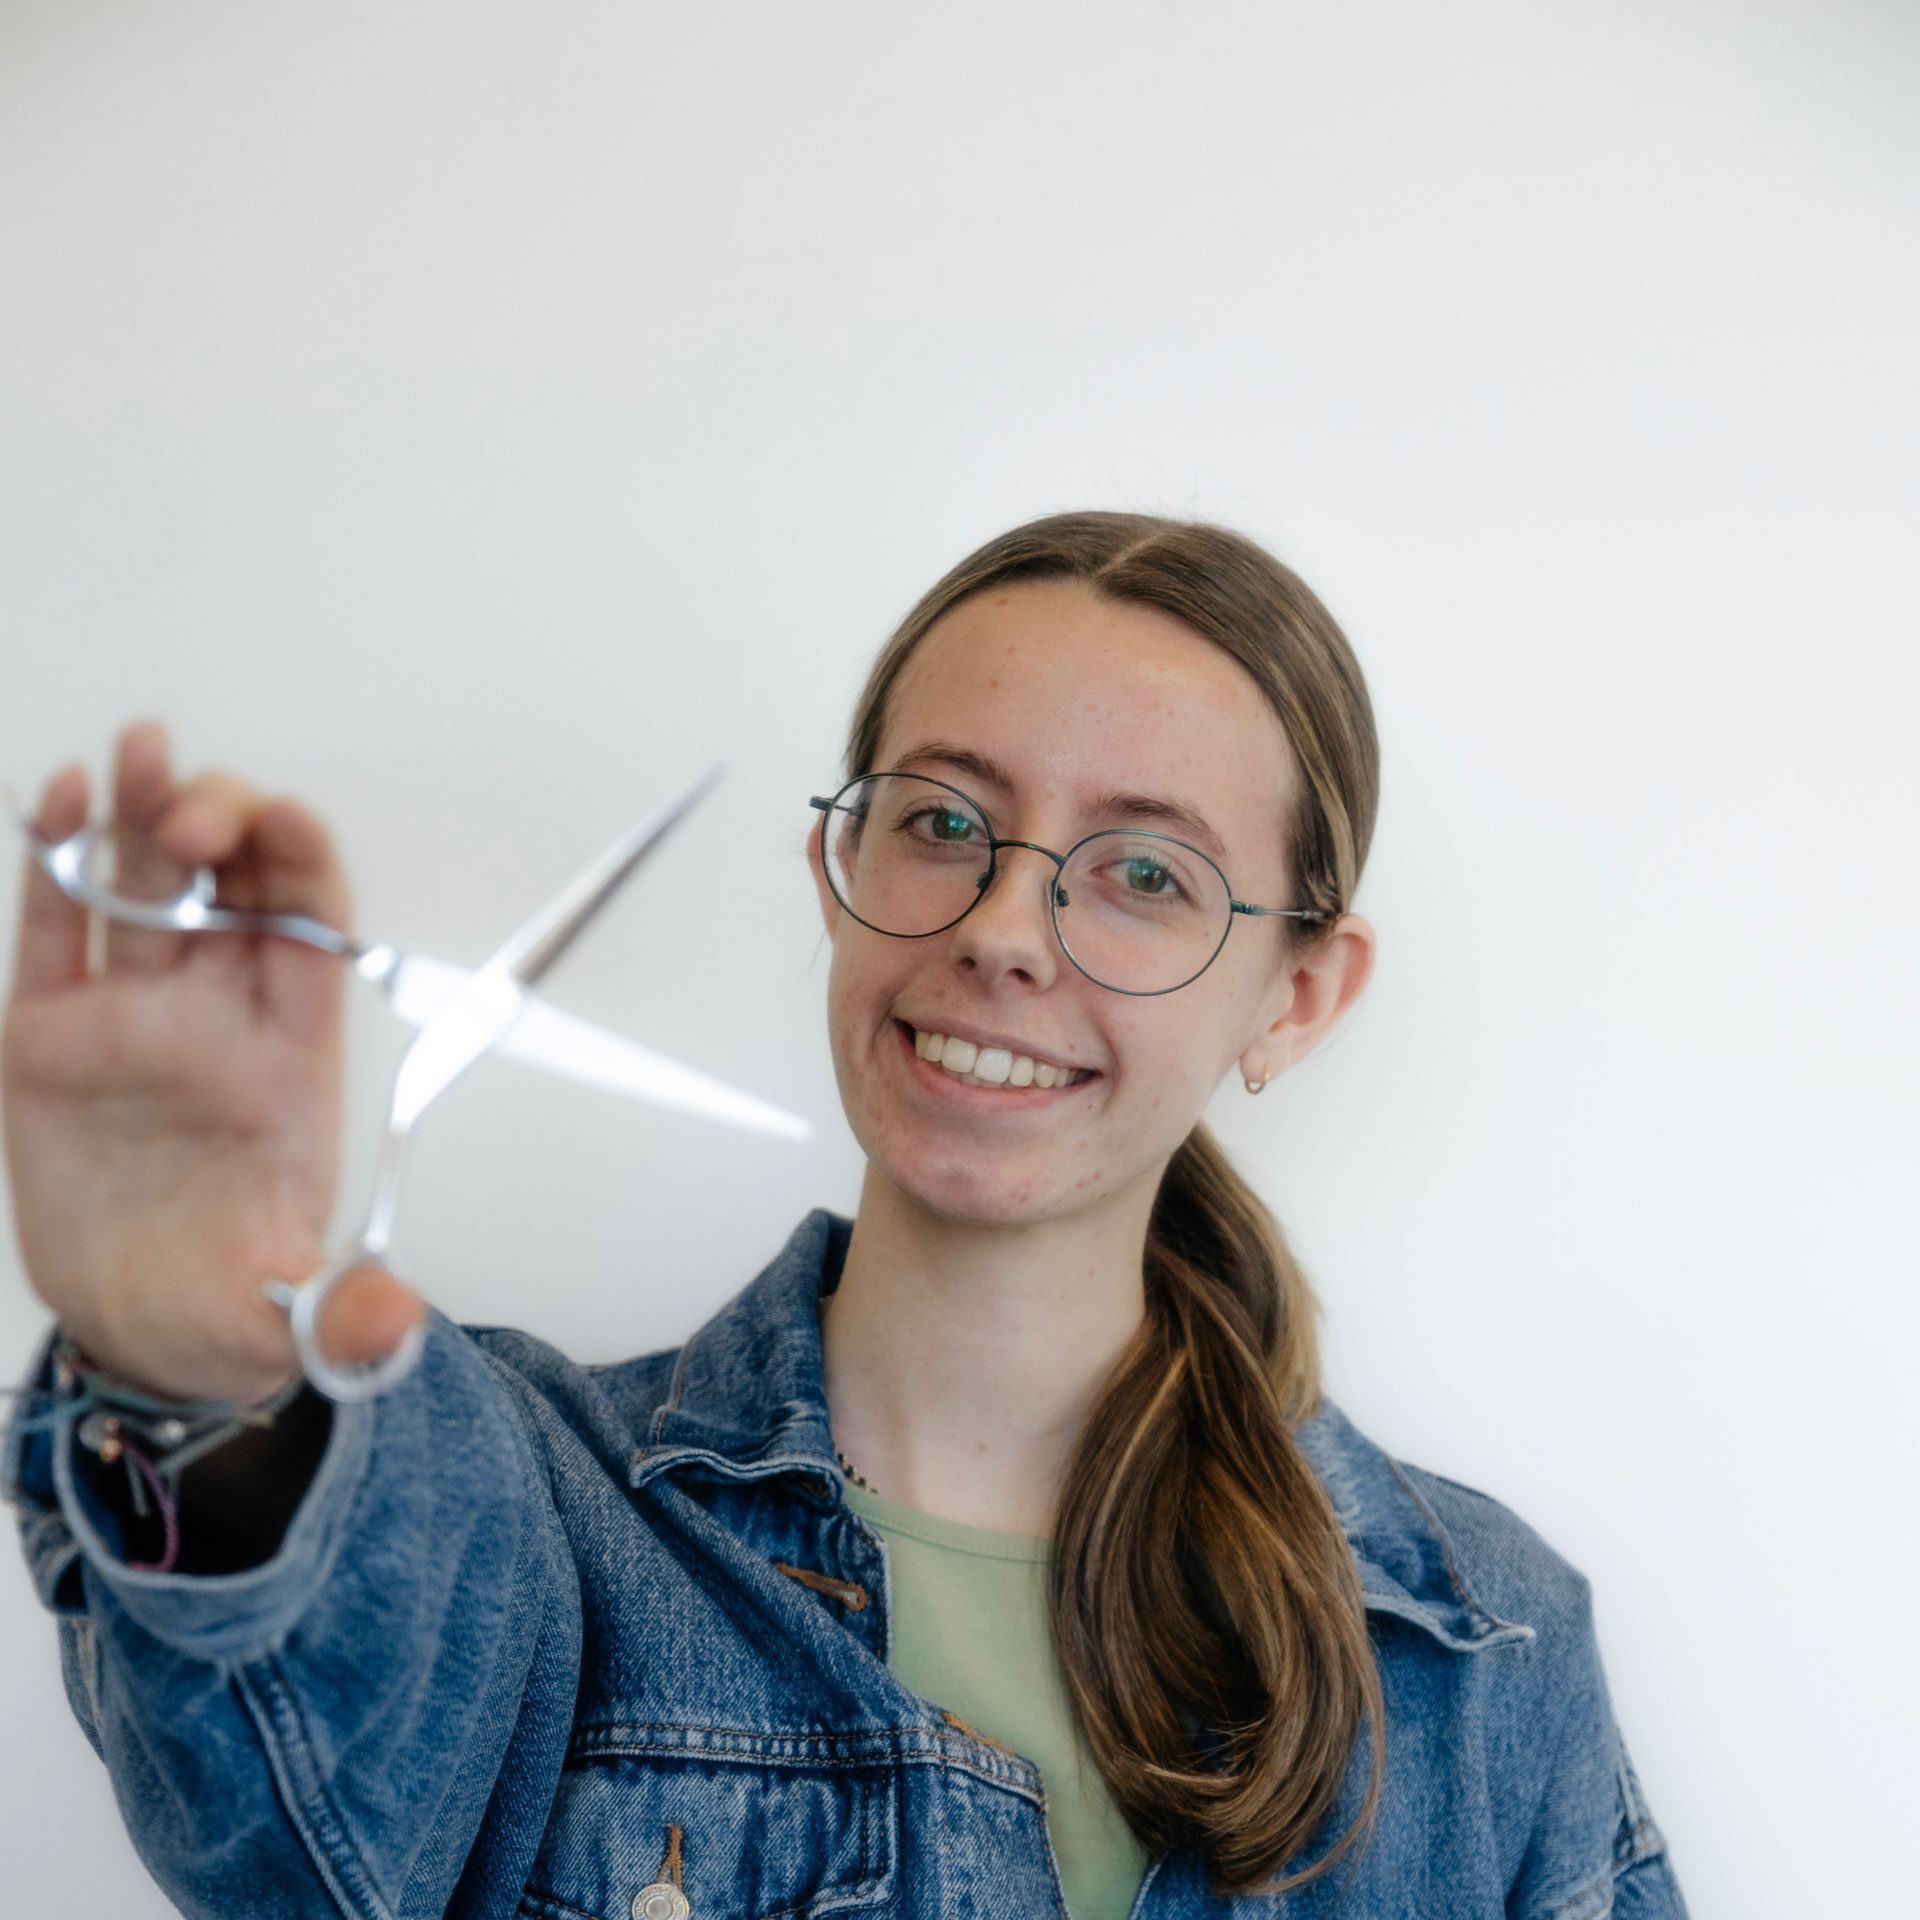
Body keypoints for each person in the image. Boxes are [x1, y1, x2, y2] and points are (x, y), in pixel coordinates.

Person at [1, 511, 1690, 1917]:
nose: (1006, 930)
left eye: (1143, 871)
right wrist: (204, 1391)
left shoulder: (1483, 1658)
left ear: (1298, 999)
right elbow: (290, 1829)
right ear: (839, 867)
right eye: (944, 822)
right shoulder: (529, 1500)